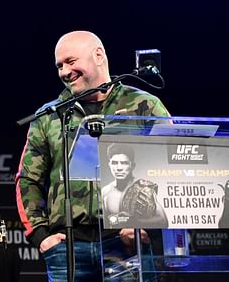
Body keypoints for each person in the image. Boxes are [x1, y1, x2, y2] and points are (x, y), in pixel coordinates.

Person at [15, 30, 170, 281]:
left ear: (98, 56)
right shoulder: (49, 115)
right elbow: (27, 180)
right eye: (59, 66)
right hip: (67, 249)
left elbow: (168, 169)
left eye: (71, 61)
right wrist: (41, 237)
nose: (64, 72)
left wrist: (148, 228)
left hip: (127, 245)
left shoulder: (145, 105)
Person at [102, 143, 168, 229]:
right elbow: (105, 224)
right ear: (109, 165)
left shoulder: (143, 188)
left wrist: (133, 221)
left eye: (124, 163)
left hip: (143, 238)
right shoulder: (105, 192)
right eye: (114, 163)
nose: (119, 168)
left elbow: (163, 221)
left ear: (132, 165)